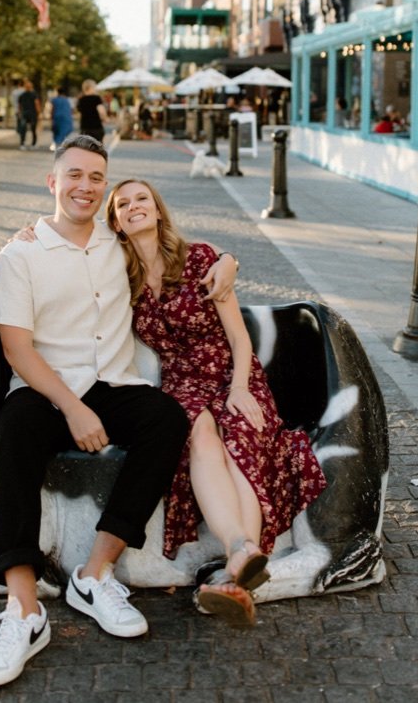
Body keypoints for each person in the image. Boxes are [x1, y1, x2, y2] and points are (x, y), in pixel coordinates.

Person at [0, 134, 235, 687]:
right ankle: (23, 609)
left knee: (166, 419)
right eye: (74, 175)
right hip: (49, 389)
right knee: (13, 429)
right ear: (53, 182)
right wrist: (71, 408)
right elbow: (17, 349)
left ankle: (95, 574)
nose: (86, 187)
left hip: (115, 382)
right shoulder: (21, 253)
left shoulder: (117, 244)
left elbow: (178, 249)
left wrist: (229, 261)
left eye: (97, 178)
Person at [104, 178, 327, 627]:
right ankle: (244, 554)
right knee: (200, 435)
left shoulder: (201, 258)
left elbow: (238, 336)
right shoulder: (119, 278)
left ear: (158, 208)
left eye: (141, 198)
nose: (133, 207)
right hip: (181, 383)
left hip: (231, 372)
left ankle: (238, 557)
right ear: (116, 223)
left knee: (240, 437)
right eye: (122, 205)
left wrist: (240, 387)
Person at [48, 87, 74, 152]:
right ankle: (59, 143)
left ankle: (56, 143)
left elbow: (52, 109)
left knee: (56, 130)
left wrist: (51, 118)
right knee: (65, 130)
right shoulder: (67, 100)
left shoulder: (54, 100)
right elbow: (71, 110)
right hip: (66, 117)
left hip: (57, 117)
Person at [16, 80, 39, 151]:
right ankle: (33, 144)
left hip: (24, 114)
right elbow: (37, 104)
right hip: (32, 114)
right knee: (33, 129)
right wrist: (39, 113)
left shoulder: (22, 95)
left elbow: (19, 106)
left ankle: (22, 144)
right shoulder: (34, 94)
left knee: (23, 129)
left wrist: (19, 113)